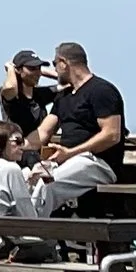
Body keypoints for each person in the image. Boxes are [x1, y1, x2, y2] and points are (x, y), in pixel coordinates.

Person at [30, 40, 126, 210]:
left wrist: (70, 153)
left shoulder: (101, 91)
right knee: (28, 179)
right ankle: (16, 229)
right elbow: (44, 131)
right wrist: (16, 146)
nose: (55, 69)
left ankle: (32, 232)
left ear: (63, 63)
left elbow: (112, 135)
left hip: (97, 163)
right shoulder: (65, 96)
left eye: (55, 64)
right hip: (68, 160)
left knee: (48, 184)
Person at [0, 52, 60, 155]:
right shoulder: (12, 95)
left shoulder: (40, 94)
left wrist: (42, 72)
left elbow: (70, 83)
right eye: (32, 68)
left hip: (39, 153)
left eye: (38, 68)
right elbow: (10, 87)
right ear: (18, 70)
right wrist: (11, 68)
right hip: (18, 153)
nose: (37, 72)